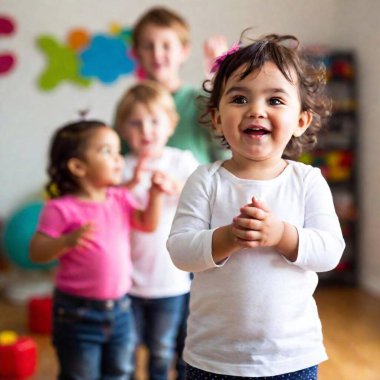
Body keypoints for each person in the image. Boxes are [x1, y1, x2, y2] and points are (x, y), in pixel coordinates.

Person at [167, 32, 346, 379]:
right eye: (238, 98)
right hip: (212, 356)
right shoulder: (205, 180)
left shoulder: (307, 181)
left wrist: (282, 234)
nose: (256, 110)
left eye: (275, 100)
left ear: (301, 120)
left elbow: (329, 251)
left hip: (291, 357)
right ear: (216, 117)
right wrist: (227, 239)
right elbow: (180, 251)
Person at [130, 7, 229, 378]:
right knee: (150, 339)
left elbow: (223, 152)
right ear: (137, 53)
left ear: (183, 50)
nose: (158, 54)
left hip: (196, 226)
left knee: (191, 332)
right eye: (149, 46)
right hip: (149, 240)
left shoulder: (201, 101)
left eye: (166, 45)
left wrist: (219, 83)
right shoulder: (132, 106)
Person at [29, 119, 168, 380]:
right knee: (80, 374)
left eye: (118, 151)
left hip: (121, 309)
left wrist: (156, 196)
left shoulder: (119, 198)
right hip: (76, 313)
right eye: (107, 151)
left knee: (120, 372)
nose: (118, 159)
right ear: (78, 166)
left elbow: (147, 224)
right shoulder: (61, 208)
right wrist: (65, 242)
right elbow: (36, 252)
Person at [114, 80, 199, 380]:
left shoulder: (181, 161)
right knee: (126, 351)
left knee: (162, 350)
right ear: (123, 130)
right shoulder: (120, 168)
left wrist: (174, 187)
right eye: (135, 123)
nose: (146, 130)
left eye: (154, 121)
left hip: (171, 282)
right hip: (127, 282)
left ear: (171, 124)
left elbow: (203, 200)